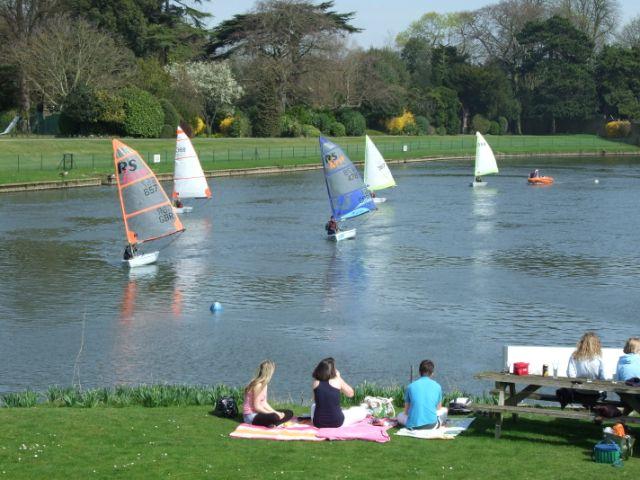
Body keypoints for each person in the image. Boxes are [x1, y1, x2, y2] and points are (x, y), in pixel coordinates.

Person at [311, 357, 368, 428]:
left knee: (313, 406)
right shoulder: (337, 381)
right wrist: (339, 377)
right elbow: (351, 394)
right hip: (337, 422)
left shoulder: (315, 383)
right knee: (362, 411)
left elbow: (315, 401)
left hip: (318, 423)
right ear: (332, 370)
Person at [396, 360, 447, 430]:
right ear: (432, 373)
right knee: (444, 409)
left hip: (413, 425)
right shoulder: (437, 386)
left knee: (400, 415)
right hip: (432, 425)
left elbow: (406, 411)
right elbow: (438, 408)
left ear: (419, 372)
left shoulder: (410, 386)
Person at [243, 360, 293, 427]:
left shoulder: (264, 384)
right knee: (274, 416)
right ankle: (274, 423)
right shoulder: (258, 385)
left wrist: (276, 412)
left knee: (289, 413)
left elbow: (264, 403)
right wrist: (274, 413)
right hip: (251, 416)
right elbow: (256, 407)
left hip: (259, 413)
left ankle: (274, 424)